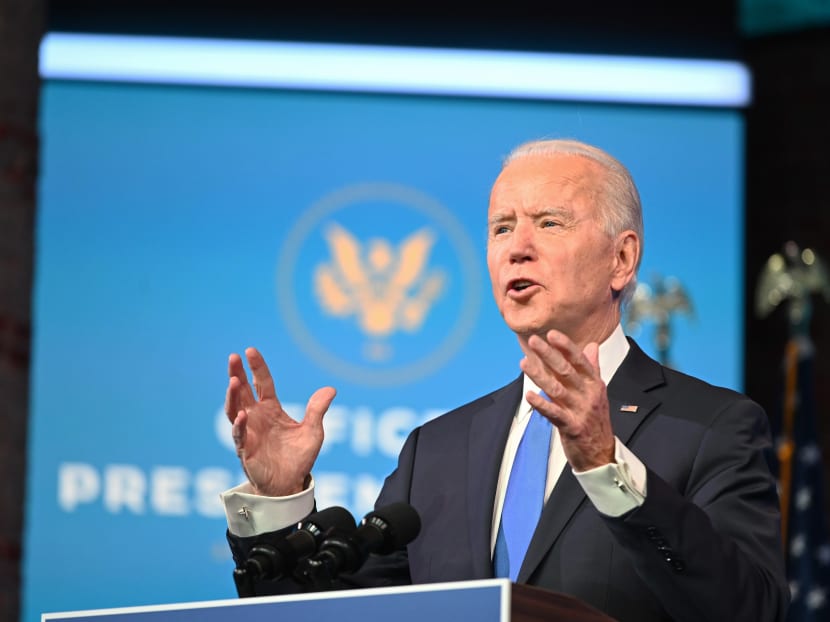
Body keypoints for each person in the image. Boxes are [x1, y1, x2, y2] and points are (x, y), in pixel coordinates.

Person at [220, 138, 789, 622]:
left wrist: (607, 467)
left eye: (549, 223)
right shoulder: (435, 451)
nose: (518, 247)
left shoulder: (713, 428)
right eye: (501, 227)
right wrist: (278, 501)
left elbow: (750, 608)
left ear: (621, 259)